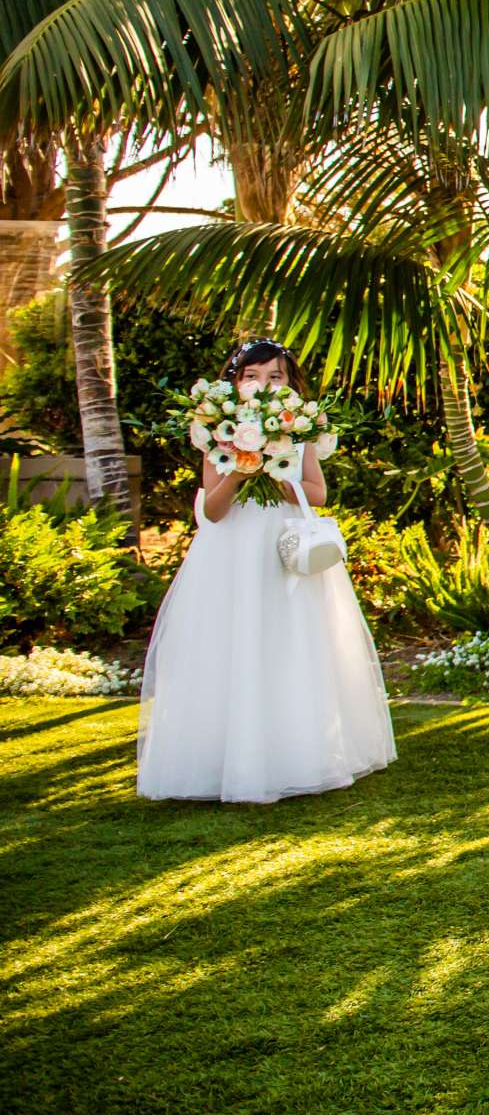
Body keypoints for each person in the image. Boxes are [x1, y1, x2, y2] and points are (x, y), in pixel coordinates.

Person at [137, 338, 395, 803]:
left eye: (274, 376)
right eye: (252, 376)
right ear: (234, 382)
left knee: (288, 641)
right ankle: (224, 760)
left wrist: (276, 467)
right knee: (229, 644)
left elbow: (316, 493)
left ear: (288, 383)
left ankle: (297, 753)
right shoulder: (218, 431)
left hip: (284, 547)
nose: (262, 385)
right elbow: (212, 512)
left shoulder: (297, 430)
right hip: (230, 553)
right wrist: (239, 470)